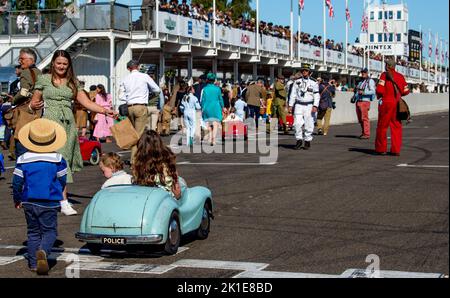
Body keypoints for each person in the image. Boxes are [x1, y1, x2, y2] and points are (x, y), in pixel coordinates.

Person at [30, 50, 116, 216]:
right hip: (49, 125)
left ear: (68, 65)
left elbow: (86, 102)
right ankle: (56, 199)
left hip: (68, 125)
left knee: (64, 161)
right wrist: (33, 106)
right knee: (51, 162)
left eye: (65, 64)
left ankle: (63, 200)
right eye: (59, 63)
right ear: (53, 63)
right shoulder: (44, 79)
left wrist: (105, 111)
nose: (61, 66)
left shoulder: (73, 82)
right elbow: (35, 101)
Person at [12, 118, 68, 275]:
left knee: (33, 232)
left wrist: (17, 199)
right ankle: (43, 251)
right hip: (49, 201)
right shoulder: (58, 160)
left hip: (29, 200)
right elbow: (62, 179)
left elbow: (16, 183)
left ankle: (33, 264)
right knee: (49, 231)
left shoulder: (23, 160)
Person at [118, 60, 160, 163]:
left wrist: (129, 97)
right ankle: (135, 159)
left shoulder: (125, 79)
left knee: (134, 133)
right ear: (138, 66)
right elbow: (157, 89)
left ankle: (135, 157)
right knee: (139, 134)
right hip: (141, 106)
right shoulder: (144, 76)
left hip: (129, 107)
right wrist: (147, 92)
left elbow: (120, 96)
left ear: (128, 68)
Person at [132, 129, 181, 199]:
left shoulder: (139, 163)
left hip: (145, 199)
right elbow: (177, 191)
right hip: (167, 200)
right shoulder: (167, 158)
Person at [375, 58, 410, 156]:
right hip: (397, 103)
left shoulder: (384, 75)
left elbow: (380, 90)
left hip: (386, 102)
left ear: (387, 66)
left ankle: (381, 148)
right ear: (395, 66)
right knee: (396, 127)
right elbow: (406, 91)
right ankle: (396, 150)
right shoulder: (401, 76)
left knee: (382, 126)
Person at [13, 48, 42, 159]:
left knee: (21, 144)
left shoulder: (25, 72)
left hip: (27, 112)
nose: (20, 61)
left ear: (31, 60)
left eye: (22, 59)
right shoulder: (39, 72)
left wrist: (14, 100)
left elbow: (24, 92)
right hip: (38, 111)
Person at [288, 63, 320, 150]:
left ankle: (307, 141)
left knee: (309, 124)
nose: (304, 72)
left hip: (309, 105)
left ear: (309, 72)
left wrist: (315, 106)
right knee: (297, 124)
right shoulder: (297, 81)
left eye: (306, 71)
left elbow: (317, 95)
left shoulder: (314, 82)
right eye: (303, 70)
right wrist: (290, 105)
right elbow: (293, 94)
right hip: (298, 104)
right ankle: (299, 140)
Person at [201, 73, 225, 146]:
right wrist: (223, 107)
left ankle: (210, 137)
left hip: (207, 107)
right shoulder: (217, 89)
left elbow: (202, 100)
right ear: (214, 80)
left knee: (208, 124)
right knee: (215, 124)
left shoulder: (204, 89)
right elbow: (220, 99)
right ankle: (213, 140)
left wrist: (202, 108)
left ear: (207, 80)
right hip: (216, 108)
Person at [354, 68, 376, 139]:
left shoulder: (370, 81)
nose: (363, 73)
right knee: (360, 119)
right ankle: (364, 132)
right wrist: (354, 97)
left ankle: (366, 134)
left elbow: (373, 91)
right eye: (362, 72)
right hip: (359, 101)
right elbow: (358, 91)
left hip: (365, 101)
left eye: (364, 72)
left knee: (364, 118)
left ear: (367, 73)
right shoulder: (361, 82)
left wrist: (364, 92)